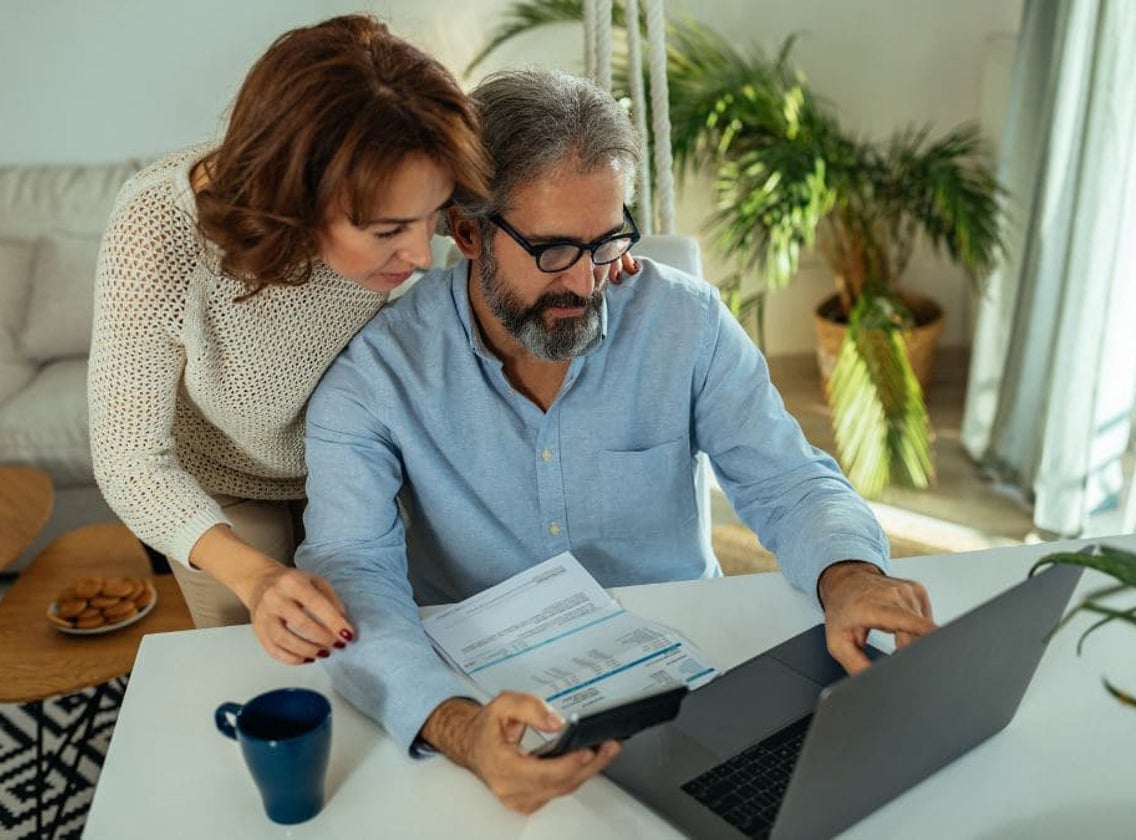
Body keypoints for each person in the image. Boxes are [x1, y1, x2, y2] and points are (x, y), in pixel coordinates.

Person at [295, 68, 936, 813]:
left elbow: (788, 482)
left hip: (689, 683)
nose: (589, 281)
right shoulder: (376, 374)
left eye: (607, 242)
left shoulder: (685, 324)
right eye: (554, 251)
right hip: (483, 696)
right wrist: (457, 727)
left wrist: (850, 576)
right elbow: (352, 570)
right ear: (467, 231)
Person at [86, 15, 495, 666]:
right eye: (389, 230)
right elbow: (130, 462)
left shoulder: (407, 180)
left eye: (431, 217)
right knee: (255, 669)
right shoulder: (160, 233)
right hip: (224, 488)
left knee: (386, 652)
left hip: (357, 459)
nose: (422, 253)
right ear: (296, 200)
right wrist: (254, 579)